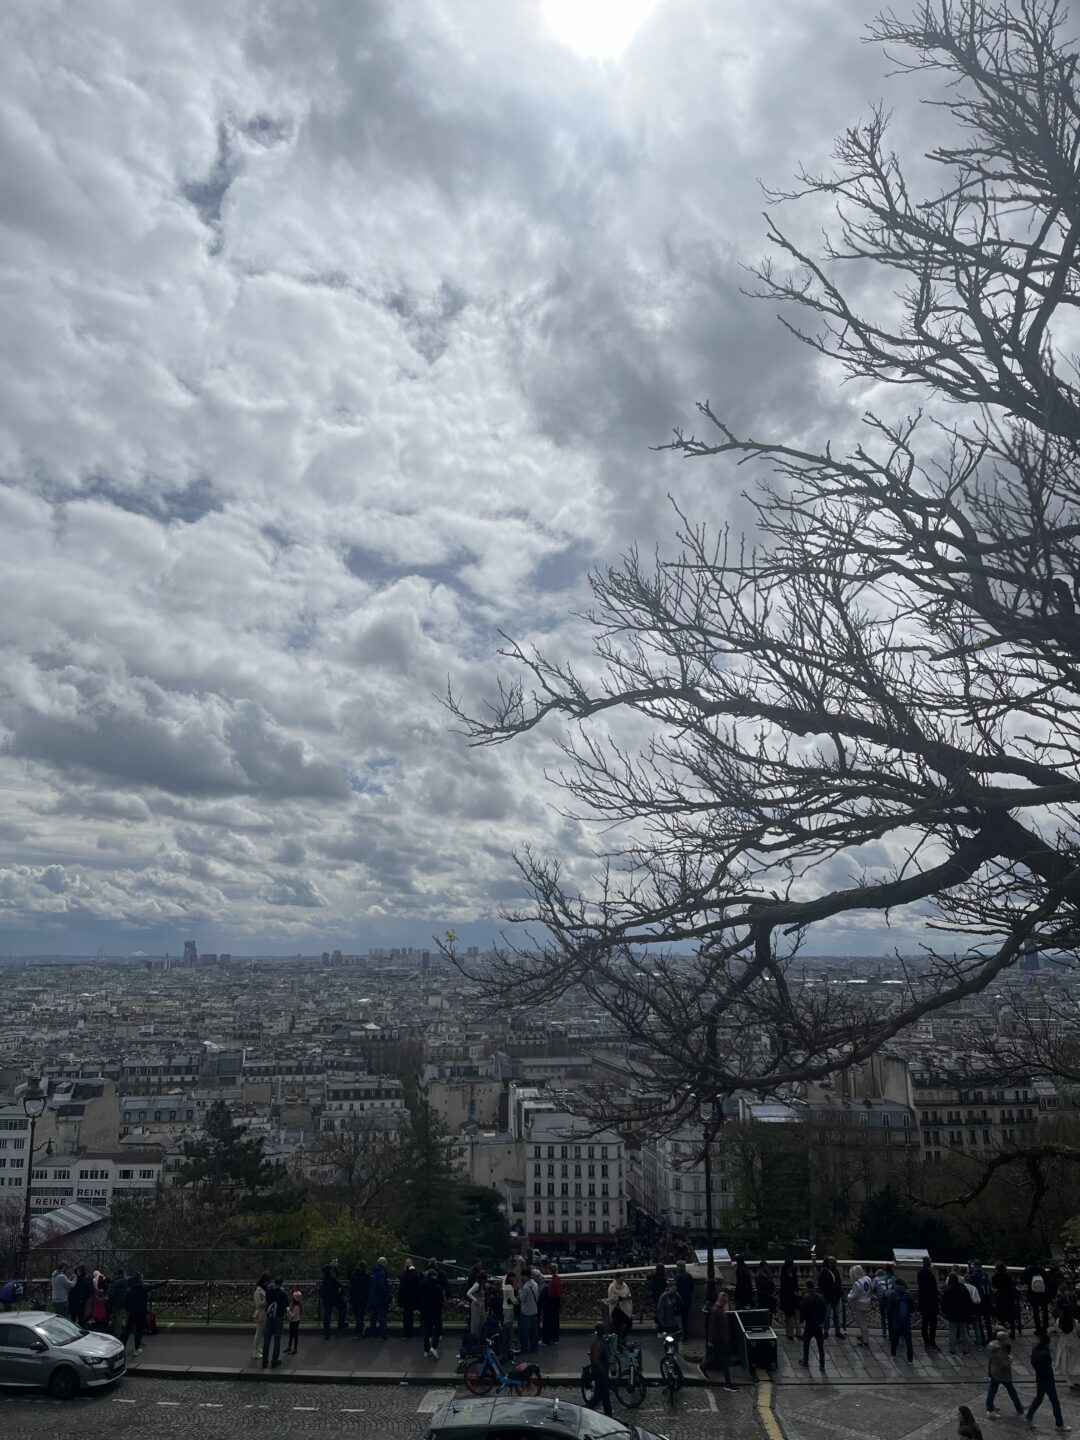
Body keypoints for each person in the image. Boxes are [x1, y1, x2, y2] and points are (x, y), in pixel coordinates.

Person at [1027, 1329, 1067, 1430]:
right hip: (1047, 1380)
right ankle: (1059, 1424)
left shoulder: (1035, 1349)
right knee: (1054, 1401)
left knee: (1039, 1399)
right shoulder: (1045, 1354)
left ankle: (1029, 1416)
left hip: (1039, 1378)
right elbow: (1047, 1369)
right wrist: (1051, 1378)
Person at [702, 1291, 738, 1390]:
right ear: (722, 1300)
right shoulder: (716, 1310)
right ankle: (728, 1383)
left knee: (717, 1358)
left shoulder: (720, 1309)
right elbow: (712, 1327)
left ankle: (703, 1366)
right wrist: (711, 1340)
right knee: (725, 1361)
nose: (726, 1303)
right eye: (725, 1301)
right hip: (719, 1340)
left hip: (722, 1340)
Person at [986, 1330, 1024, 1418]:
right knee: (1011, 1392)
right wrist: (1010, 1359)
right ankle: (1019, 1409)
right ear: (1003, 1339)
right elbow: (1004, 1365)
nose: (1009, 1339)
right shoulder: (999, 1351)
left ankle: (990, 1407)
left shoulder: (993, 1346)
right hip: (1002, 1375)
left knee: (992, 1391)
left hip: (995, 1372)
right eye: (1007, 1338)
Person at [799, 1278, 827, 1373]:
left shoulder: (806, 1298)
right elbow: (824, 1310)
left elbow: (803, 1310)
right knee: (820, 1346)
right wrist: (822, 1321)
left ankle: (805, 1361)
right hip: (818, 1325)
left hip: (809, 1325)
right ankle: (822, 1365)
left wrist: (801, 1320)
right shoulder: (820, 1297)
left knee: (806, 1343)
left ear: (807, 1287)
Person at [1054, 1293, 1080, 1388]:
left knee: (1066, 1363)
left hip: (1064, 1344)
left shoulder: (1058, 1321)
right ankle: (1077, 1380)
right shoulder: (1075, 1322)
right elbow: (1078, 1331)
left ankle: (1069, 1382)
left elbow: (1057, 1330)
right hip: (1075, 1344)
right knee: (1076, 1362)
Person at [886, 1277, 914, 1363]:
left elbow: (889, 1309)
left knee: (894, 1338)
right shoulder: (908, 1294)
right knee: (908, 1341)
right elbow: (912, 1309)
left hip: (896, 1321)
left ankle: (893, 1354)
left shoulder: (891, 1294)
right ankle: (910, 1359)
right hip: (906, 1321)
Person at [943, 1272, 971, 1356]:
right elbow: (968, 1301)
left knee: (952, 1332)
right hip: (963, 1313)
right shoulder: (963, 1288)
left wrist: (945, 1313)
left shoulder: (948, 1290)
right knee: (964, 1332)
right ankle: (965, 1350)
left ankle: (952, 1350)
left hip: (952, 1314)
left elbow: (945, 1303)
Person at [262, 1276, 287, 1369]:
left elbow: (267, 1299)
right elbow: (286, 1305)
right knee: (277, 1341)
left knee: (266, 1341)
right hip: (279, 1319)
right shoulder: (282, 1294)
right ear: (281, 1284)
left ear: (274, 1282)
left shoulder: (269, 1292)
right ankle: (274, 1361)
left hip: (269, 1319)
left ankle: (264, 1361)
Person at [121, 1272, 148, 1356]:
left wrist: (130, 1310)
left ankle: (122, 1347)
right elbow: (155, 1286)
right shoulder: (144, 1288)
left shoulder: (130, 1290)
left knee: (127, 1330)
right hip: (141, 1312)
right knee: (138, 1330)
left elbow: (125, 1303)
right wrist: (166, 1281)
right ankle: (136, 1348)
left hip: (133, 1312)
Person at [420, 1267, 444, 1360]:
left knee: (426, 1330)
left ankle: (426, 1350)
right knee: (437, 1329)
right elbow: (441, 1300)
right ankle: (433, 1347)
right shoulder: (437, 1287)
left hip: (425, 1310)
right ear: (434, 1276)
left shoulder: (422, 1285)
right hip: (436, 1311)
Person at [589, 1323, 613, 1417]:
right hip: (600, 1373)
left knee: (605, 1395)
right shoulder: (599, 1343)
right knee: (599, 1395)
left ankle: (609, 1414)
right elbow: (596, 1359)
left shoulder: (599, 1341)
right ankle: (587, 1409)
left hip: (601, 1372)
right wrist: (602, 1370)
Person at [847, 1264, 873, 1347]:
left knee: (861, 1323)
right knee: (863, 1322)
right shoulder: (867, 1279)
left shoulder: (857, 1283)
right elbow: (871, 1289)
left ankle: (865, 1340)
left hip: (860, 1304)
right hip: (867, 1302)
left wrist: (849, 1295)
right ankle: (864, 1338)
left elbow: (854, 1296)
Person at [819, 1256, 844, 1339]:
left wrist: (839, 1293)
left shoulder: (836, 1271)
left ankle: (837, 1331)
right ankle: (826, 1331)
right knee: (827, 1315)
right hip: (828, 1297)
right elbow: (821, 1284)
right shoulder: (824, 1272)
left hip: (836, 1297)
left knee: (836, 1315)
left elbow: (839, 1283)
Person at [918, 1258, 940, 1351]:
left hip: (923, 1302)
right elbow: (934, 1289)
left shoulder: (919, 1273)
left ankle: (926, 1341)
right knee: (933, 1324)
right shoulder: (930, 1274)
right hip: (931, 1302)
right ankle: (932, 1342)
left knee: (924, 1323)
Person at [992, 1262, 1018, 1340]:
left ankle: (1003, 1333)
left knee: (1002, 1316)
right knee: (1011, 1316)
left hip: (1001, 1297)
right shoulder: (1008, 1276)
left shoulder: (996, 1276)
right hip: (1009, 1297)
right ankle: (1013, 1333)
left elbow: (994, 1286)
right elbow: (1013, 1284)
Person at [518, 1268, 540, 1354]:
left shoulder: (526, 1287)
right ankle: (534, 1348)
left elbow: (522, 1299)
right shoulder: (535, 1284)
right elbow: (537, 1298)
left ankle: (525, 1348)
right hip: (534, 1310)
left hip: (526, 1312)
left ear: (524, 1276)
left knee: (525, 1333)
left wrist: (520, 1290)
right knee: (534, 1333)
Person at [368, 1256, 390, 1340]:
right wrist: (386, 1296)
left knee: (373, 1318)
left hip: (372, 1298)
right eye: (386, 1262)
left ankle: (372, 1335)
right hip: (380, 1299)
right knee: (382, 1317)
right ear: (383, 1263)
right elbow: (382, 1287)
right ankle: (382, 1335)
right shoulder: (381, 1273)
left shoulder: (372, 1272)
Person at [540, 1262, 562, 1345]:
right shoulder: (558, 1279)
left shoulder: (552, 1282)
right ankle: (554, 1338)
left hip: (551, 1302)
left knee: (547, 1321)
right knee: (555, 1320)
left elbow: (550, 1294)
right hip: (556, 1302)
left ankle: (546, 1340)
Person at [780, 1257, 801, 1340]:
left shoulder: (791, 1272)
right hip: (788, 1297)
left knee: (796, 1316)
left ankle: (796, 1333)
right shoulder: (786, 1273)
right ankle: (790, 1333)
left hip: (792, 1297)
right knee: (790, 1316)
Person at [398, 1258, 420, 1340]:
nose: (406, 1264)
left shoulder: (411, 1273)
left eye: (408, 1262)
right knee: (408, 1317)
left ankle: (407, 1333)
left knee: (407, 1317)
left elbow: (406, 1284)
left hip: (408, 1299)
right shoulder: (412, 1273)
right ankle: (408, 1333)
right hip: (410, 1298)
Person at [1026, 1262, 1050, 1334]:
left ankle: (1038, 1327)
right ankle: (1045, 1326)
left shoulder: (1028, 1270)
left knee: (1035, 1311)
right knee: (1044, 1310)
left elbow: (1025, 1280)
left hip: (1033, 1293)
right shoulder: (1042, 1269)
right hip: (1043, 1293)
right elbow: (1047, 1279)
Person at [875, 1264, 896, 1338]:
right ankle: (891, 1330)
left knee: (883, 1315)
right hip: (889, 1297)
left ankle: (884, 1330)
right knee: (889, 1314)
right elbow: (893, 1287)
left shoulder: (876, 1279)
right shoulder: (890, 1277)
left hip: (881, 1298)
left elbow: (874, 1288)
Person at [252, 1271, 270, 1359]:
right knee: (259, 1333)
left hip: (264, 1313)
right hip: (261, 1313)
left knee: (261, 1332)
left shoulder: (261, 1290)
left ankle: (259, 1349)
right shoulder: (258, 1291)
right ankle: (256, 1350)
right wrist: (266, 1301)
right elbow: (258, 1304)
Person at [500, 1270, 517, 1360]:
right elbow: (513, 1300)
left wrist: (506, 1275)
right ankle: (510, 1345)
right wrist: (519, 1302)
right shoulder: (510, 1288)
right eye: (514, 1277)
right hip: (510, 1308)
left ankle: (507, 1345)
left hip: (504, 1307)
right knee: (509, 1327)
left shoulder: (504, 1286)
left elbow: (503, 1281)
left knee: (506, 1324)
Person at [350, 1261, 369, 1339]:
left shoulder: (354, 1274)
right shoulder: (366, 1275)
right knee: (361, 1312)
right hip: (363, 1296)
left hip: (355, 1296)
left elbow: (352, 1284)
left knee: (357, 1312)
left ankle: (358, 1330)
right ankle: (361, 1328)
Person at [466, 1269, 488, 1339]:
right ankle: (475, 1337)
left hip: (480, 1305)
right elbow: (468, 1293)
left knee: (482, 1320)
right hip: (477, 1305)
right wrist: (476, 1301)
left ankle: (478, 1336)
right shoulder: (477, 1285)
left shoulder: (480, 1285)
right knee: (476, 1323)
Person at [675, 1261, 694, 1335]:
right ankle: (685, 1334)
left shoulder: (678, 1276)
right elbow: (692, 1287)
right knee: (685, 1318)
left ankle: (679, 1333)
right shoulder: (689, 1275)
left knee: (678, 1317)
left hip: (680, 1299)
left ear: (680, 1267)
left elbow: (677, 1288)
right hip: (688, 1299)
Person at [109, 1269, 128, 1336]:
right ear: (123, 1273)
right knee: (119, 1318)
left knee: (116, 1318)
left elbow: (112, 1293)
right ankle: (118, 1333)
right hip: (122, 1301)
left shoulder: (115, 1282)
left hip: (116, 1302)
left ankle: (116, 1332)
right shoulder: (124, 1281)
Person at [286, 1291, 302, 1356]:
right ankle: (289, 1347)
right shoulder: (295, 1305)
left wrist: (288, 1310)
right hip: (293, 1321)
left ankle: (295, 1348)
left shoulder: (296, 1307)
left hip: (295, 1322)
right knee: (291, 1334)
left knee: (295, 1335)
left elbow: (293, 1315)